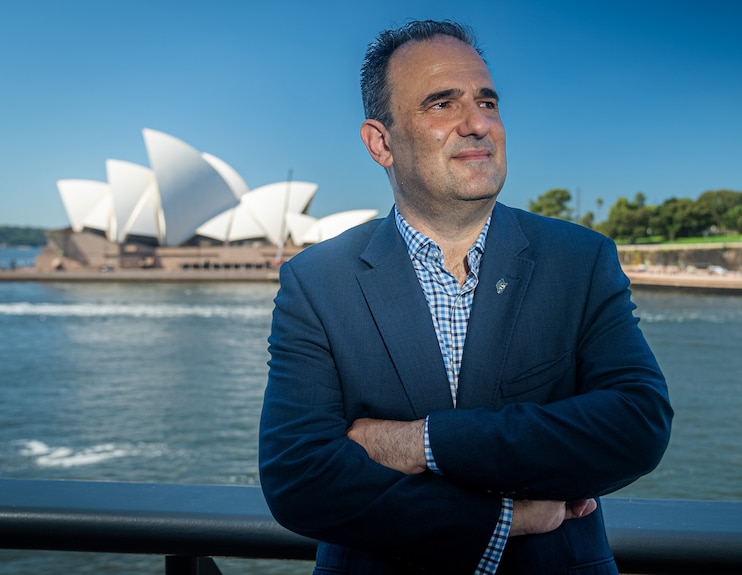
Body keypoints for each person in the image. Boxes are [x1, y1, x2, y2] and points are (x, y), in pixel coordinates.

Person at [259, 19, 672, 575]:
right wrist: (505, 518)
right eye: (440, 105)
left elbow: (636, 425)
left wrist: (421, 443)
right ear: (381, 142)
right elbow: (299, 476)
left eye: (487, 102)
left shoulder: (579, 259)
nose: (477, 124)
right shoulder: (317, 281)